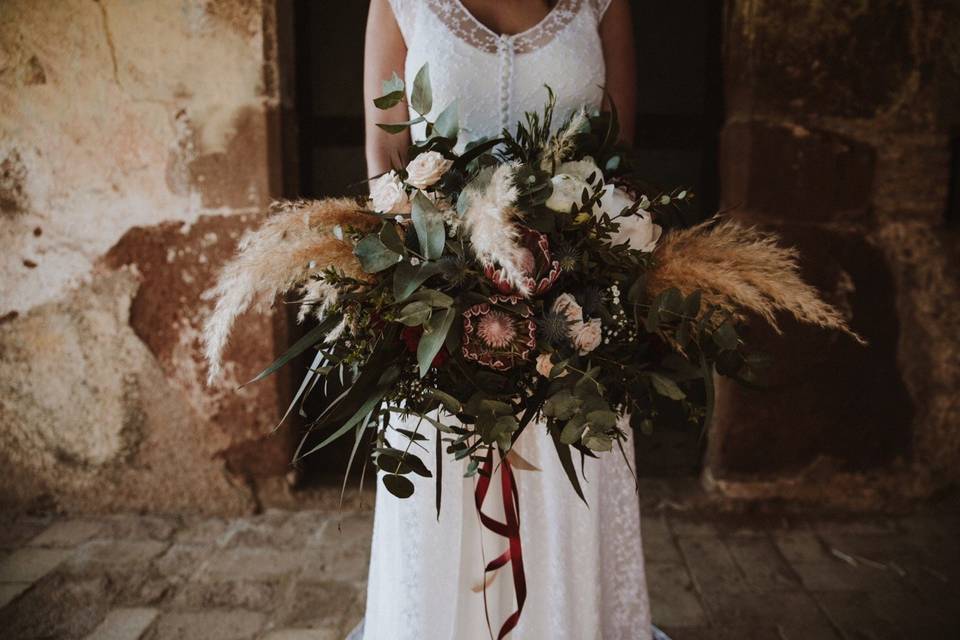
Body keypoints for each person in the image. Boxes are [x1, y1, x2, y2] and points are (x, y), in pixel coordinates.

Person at [355, 2, 665, 638]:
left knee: (569, 494)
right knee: (442, 502)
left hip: (576, 324)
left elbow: (616, 159)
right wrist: (427, 280)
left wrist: (583, 270)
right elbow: (387, 154)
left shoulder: (602, 5)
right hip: (439, 314)